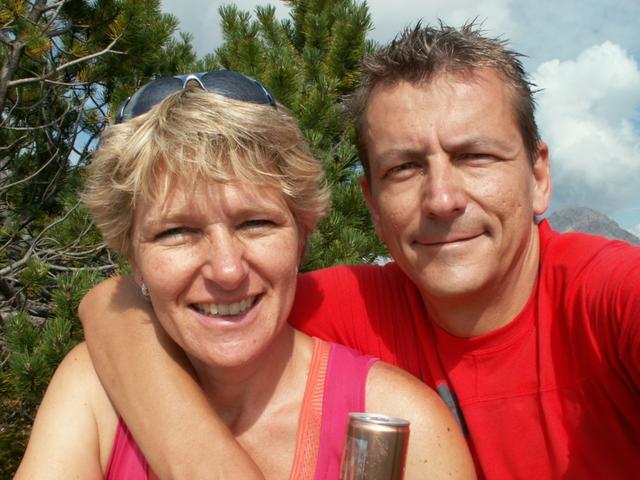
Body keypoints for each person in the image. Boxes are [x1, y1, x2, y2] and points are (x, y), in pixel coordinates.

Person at [79, 22, 640, 479]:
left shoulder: (611, 299)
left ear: (539, 176)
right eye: (405, 168)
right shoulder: (345, 308)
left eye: (475, 156)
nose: (442, 199)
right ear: (371, 202)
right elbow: (121, 310)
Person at [14, 71, 475, 479]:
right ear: (133, 257)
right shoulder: (95, 394)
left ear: (301, 235)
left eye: (255, 223)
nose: (227, 269)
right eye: (177, 232)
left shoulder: (406, 425)